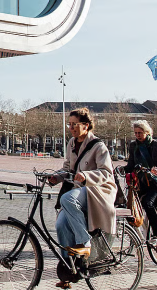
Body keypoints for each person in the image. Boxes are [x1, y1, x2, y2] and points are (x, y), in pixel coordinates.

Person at [48, 107, 117, 289]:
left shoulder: (98, 146)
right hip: (79, 191)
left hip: (97, 191)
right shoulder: (71, 143)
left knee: (67, 199)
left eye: (74, 124)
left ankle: (85, 242)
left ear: (86, 126)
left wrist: (86, 176)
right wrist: (56, 177)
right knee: (60, 225)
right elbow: (68, 168)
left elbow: (106, 173)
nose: (70, 128)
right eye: (69, 124)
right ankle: (69, 270)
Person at [125, 120, 157, 252]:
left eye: (140, 133)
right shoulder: (133, 146)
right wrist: (120, 169)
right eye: (136, 133)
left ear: (147, 132)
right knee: (130, 206)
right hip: (141, 183)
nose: (138, 135)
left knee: (148, 203)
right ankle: (136, 238)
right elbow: (131, 165)